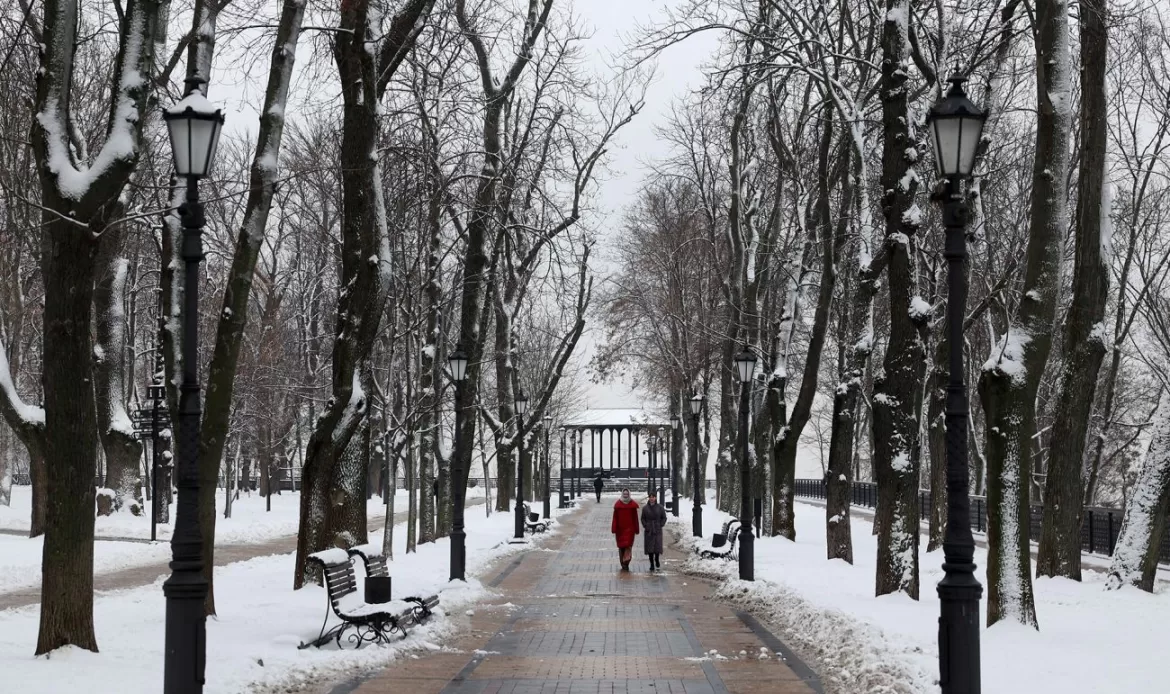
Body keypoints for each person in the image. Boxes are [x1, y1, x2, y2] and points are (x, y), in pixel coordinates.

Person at [611, 488, 640, 571]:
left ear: (629, 494)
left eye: (627, 494)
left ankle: (626, 562)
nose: (626, 495)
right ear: (622, 494)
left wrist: (636, 529)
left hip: (630, 530)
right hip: (620, 530)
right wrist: (614, 528)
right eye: (624, 494)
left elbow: (635, 518)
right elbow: (615, 518)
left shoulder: (632, 505)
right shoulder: (618, 505)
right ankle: (622, 563)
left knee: (628, 546)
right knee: (621, 547)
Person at [641, 492, 667, 571]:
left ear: (655, 498)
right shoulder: (645, 508)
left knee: (657, 546)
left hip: (657, 529)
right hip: (649, 530)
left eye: (653, 497)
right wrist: (646, 525)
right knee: (650, 548)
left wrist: (660, 525)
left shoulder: (660, 507)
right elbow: (642, 518)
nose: (652, 498)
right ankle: (651, 563)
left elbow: (664, 517)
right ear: (649, 498)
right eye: (650, 497)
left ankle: (657, 559)